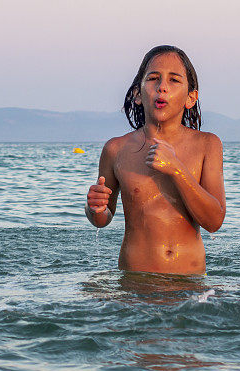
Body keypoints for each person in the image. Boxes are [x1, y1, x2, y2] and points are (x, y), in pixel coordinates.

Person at [85, 45, 225, 275]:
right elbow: (102, 219)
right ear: (138, 94)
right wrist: (94, 208)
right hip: (135, 286)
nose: (162, 87)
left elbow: (214, 221)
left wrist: (177, 170)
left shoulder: (207, 145)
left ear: (191, 97)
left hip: (189, 288)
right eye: (153, 78)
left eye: (174, 80)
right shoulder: (116, 149)